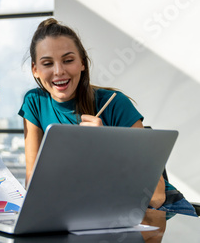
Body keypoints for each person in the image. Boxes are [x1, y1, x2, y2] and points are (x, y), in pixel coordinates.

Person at [18, 18, 197, 216]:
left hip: (135, 213)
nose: (59, 71)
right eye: (47, 63)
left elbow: (156, 196)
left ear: (82, 63)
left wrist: (104, 145)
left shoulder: (115, 104)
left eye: (68, 60)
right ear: (35, 69)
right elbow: (33, 186)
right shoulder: (34, 102)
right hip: (78, 211)